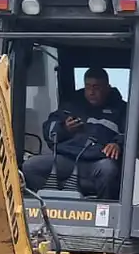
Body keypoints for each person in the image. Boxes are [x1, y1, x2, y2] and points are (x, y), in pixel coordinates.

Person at [21, 67, 126, 198]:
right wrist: (64, 128)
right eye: (88, 87)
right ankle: (53, 202)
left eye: (96, 87)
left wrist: (118, 144)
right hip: (66, 159)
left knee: (108, 170)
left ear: (107, 88)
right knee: (30, 167)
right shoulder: (71, 105)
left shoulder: (122, 109)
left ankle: (103, 211)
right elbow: (49, 129)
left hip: (97, 162)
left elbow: (136, 135)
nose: (92, 92)